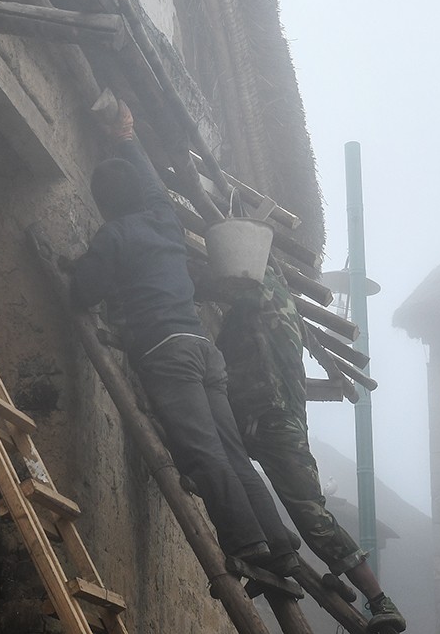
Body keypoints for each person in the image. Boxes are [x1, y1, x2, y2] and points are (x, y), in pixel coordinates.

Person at [69, 95, 297, 571]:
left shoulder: (114, 235)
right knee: (233, 454)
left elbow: (83, 294)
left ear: (104, 204)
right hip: (203, 349)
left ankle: (247, 546)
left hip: (168, 353)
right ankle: (280, 543)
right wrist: (126, 137)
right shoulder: (163, 218)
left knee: (202, 452)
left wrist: (80, 269)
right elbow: (153, 184)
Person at [219, 265, 407, 632]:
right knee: (246, 484)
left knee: (312, 517)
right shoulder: (287, 310)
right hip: (275, 420)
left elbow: (223, 334)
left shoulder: (259, 300)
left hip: (269, 420)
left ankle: (380, 601)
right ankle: (275, 552)